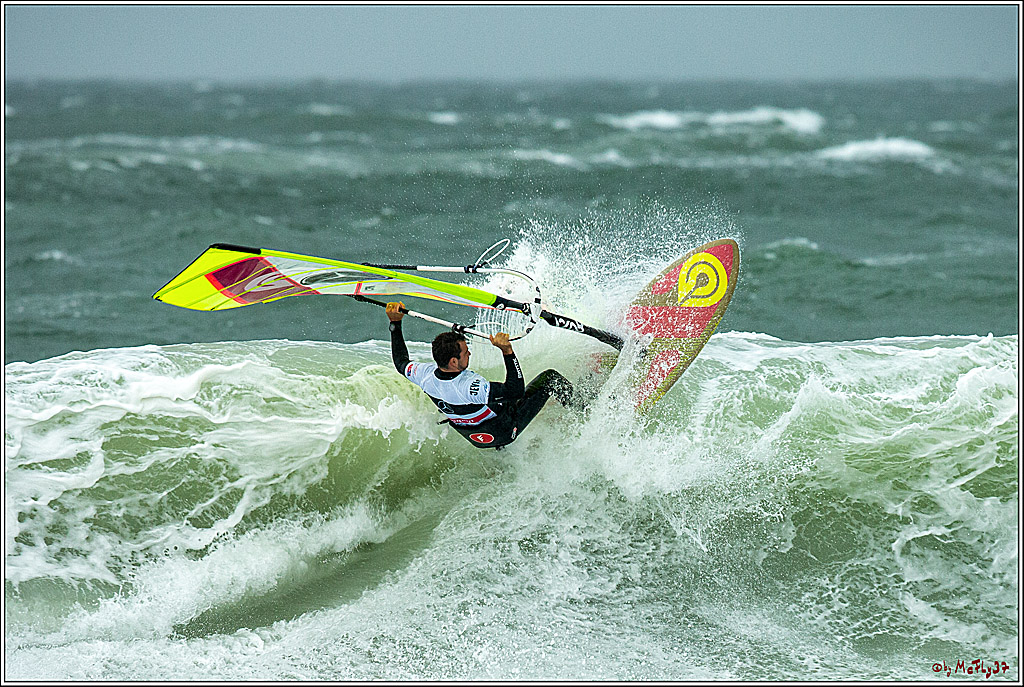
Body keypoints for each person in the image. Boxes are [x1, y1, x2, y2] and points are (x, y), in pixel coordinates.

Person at [386, 301, 576, 449]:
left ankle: (501, 449)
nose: (469, 353)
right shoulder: (469, 387)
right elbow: (515, 391)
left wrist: (395, 323)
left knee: (490, 400)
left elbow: (401, 362)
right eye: (465, 352)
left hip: (475, 437)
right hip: (505, 429)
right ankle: (585, 410)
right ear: (453, 362)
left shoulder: (424, 375)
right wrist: (507, 351)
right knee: (550, 379)